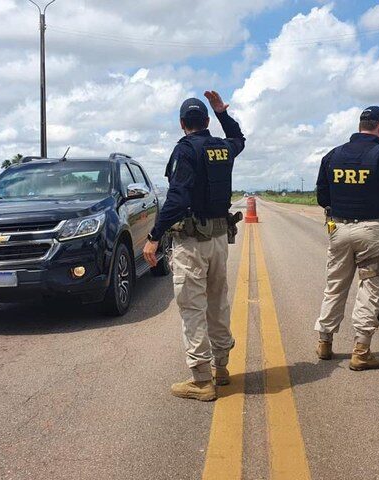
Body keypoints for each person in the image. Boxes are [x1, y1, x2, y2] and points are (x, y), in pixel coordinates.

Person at [143, 91, 245, 401]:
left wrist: (154, 236)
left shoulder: (185, 150)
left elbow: (177, 198)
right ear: (206, 121)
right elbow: (239, 138)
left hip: (192, 241)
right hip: (218, 240)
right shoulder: (222, 148)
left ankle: (202, 381)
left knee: (192, 308)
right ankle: (222, 369)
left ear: (182, 123)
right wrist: (223, 114)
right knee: (217, 303)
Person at [314, 106, 379, 370]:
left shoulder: (333, 156)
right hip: (373, 231)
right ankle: (361, 350)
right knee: (369, 288)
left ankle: (324, 342)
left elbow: (322, 197)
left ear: (360, 125)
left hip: (339, 229)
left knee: (335, 285)